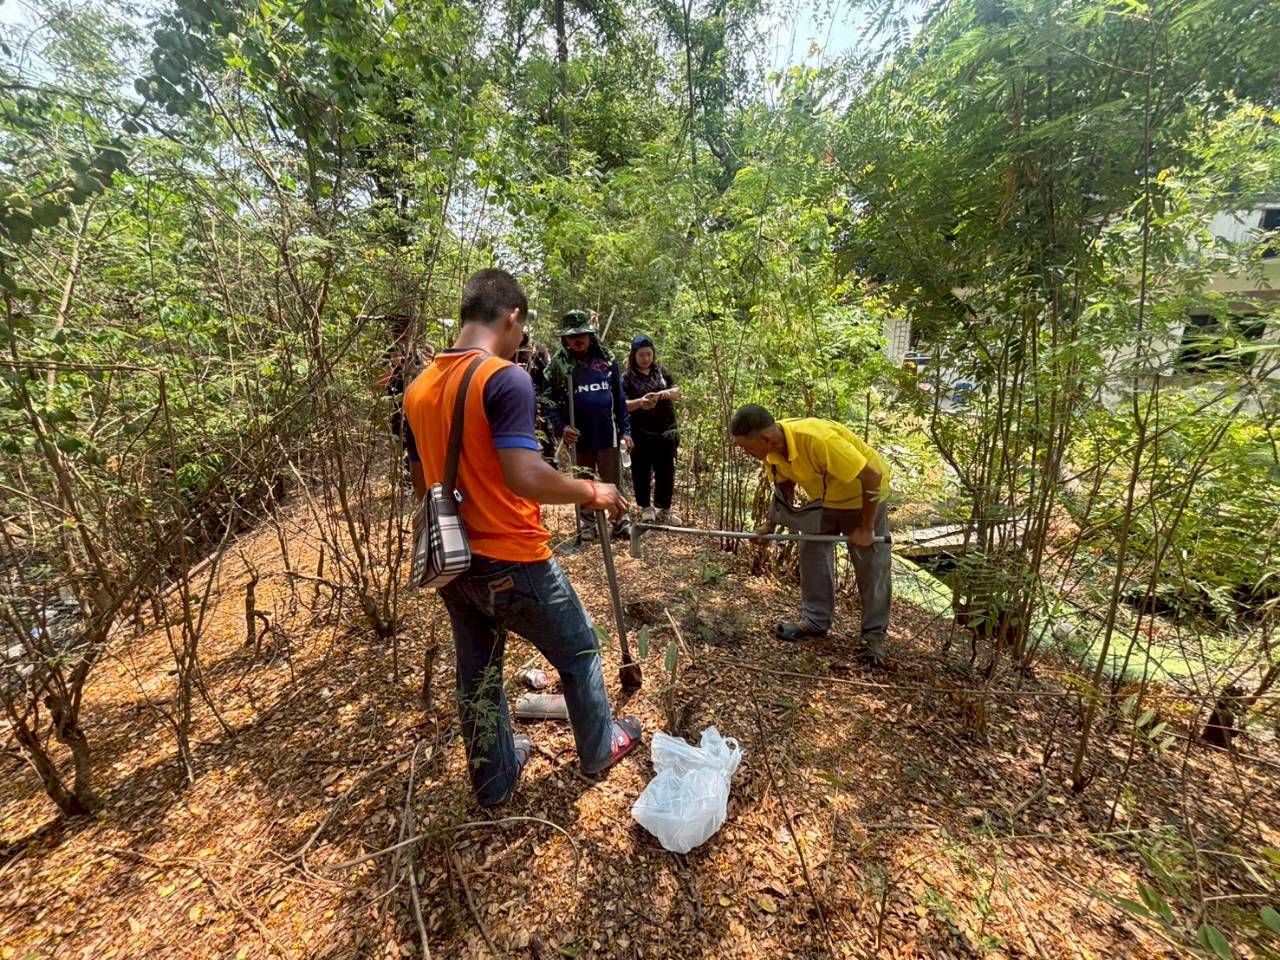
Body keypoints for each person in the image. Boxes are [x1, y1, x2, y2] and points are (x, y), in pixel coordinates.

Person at [402, 269, 642, 807]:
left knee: (479, 675)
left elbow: (425, 484)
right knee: (579, 651)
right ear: (511, 316)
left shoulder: (418, 388)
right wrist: (592, 491)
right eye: (522, 329)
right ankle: (600, 747)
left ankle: (495, 779)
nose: (521, 342)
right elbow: (524, 476)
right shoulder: (504, 377)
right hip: (514, 557)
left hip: (455, 560)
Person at [729, 404, 893, 664]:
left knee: (871, 566)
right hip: (825, 499)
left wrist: (867, 527)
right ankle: (816, 622)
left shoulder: (819, 440)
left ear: (766, 439)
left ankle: (873, 638)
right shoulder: (772, 451)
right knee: (811, 552)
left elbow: (872, 477)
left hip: (862, 498)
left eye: (746, 447)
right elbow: (784, 486)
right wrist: (770, 526)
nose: (745, 453)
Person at [547, 309, 632, 541]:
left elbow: (619, 398)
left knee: (613, 480)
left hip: (607, 433)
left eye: (582, 334)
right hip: (579, 436)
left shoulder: (607, 360)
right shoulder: (559, 366)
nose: (578, 339)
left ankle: (620, 522)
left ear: (590, 335)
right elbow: (548, 401)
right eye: (572, 336)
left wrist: (625, 430)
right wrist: (561, 427)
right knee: (583, 481)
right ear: (564, 338)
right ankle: (587, 527)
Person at [621, 334, 682, 524]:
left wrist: (662, 395)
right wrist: (641, 402)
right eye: (641, 355)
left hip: (665, 429)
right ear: (634, 356)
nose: (646, 359)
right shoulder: (627, 378)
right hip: (641, 431)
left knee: (666, 470)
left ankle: (663, 508)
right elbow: (622, 404)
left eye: (649, 354)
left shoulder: (661, 372)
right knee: (641, 469)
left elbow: (677, 391)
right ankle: (645, 507)